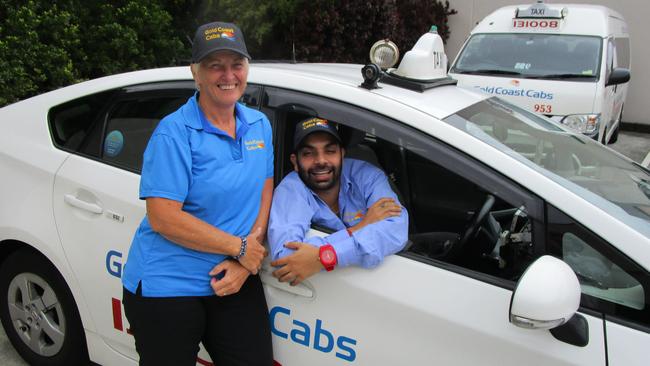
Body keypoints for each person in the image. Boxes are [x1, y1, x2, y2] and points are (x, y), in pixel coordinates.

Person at [121, 21, 273, 366]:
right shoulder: (174, 133)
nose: (228, 75)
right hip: (169, 283)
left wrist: (247, 256)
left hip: (232, 274)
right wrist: (241, 248)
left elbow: (265, 188)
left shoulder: (259, 125)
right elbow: (163, 218)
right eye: (215, 65)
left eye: (236, 64)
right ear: (196, 72)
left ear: (247, 68)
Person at [268, 117, 408, 284]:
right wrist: (360, 227)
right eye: (308, 153)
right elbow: (288, 258)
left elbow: (396, 228)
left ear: (342, 155)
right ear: (295, 162)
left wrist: (326, 256)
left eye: (330, 151)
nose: (320, 161)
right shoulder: (290, 189)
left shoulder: (367, 175)